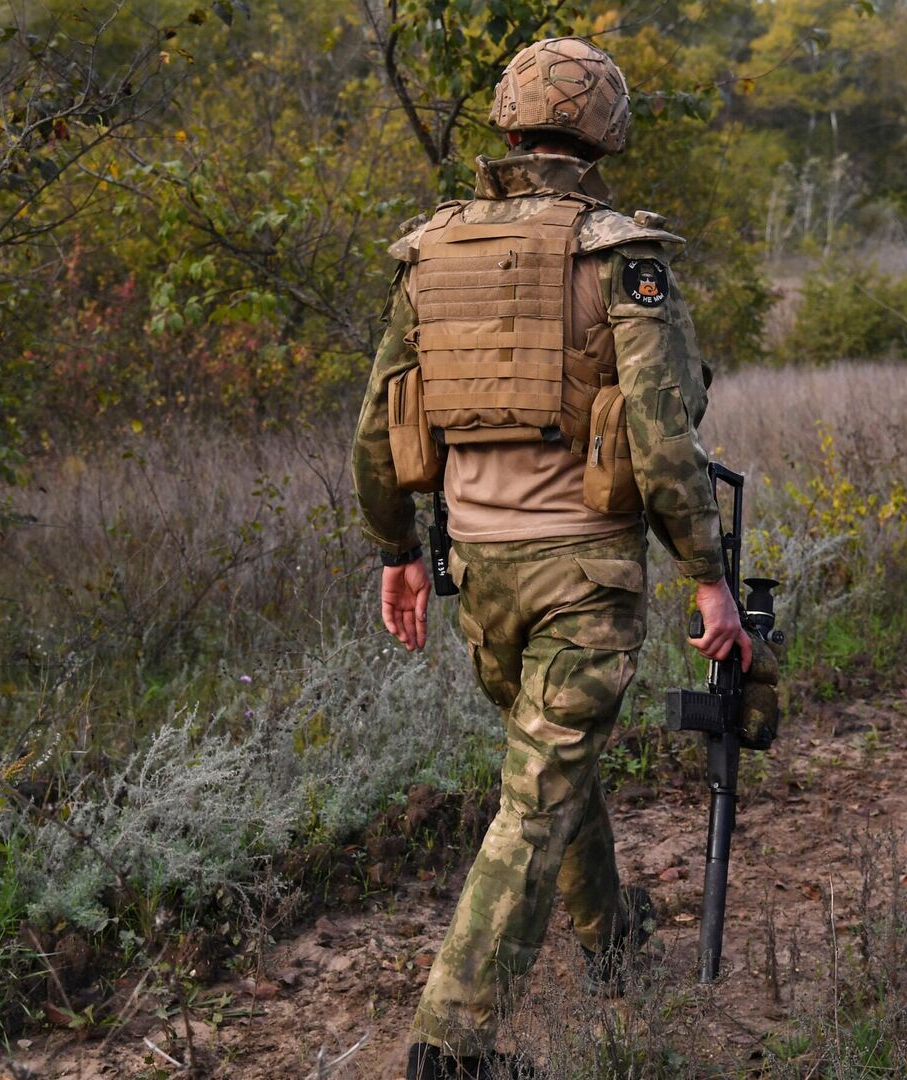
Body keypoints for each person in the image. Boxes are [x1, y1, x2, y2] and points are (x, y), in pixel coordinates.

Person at [350, 36, 753, 1080]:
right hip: (581, 572)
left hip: (476, 570)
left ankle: (613, 945)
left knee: (549, 763)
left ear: (508, 119)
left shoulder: (429, 252)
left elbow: (376, 427)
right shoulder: (622, 255)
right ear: (606, 129)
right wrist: (709, 575)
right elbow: (666, 438)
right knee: (536, 801)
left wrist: (398, 550)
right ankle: (450, 1046)